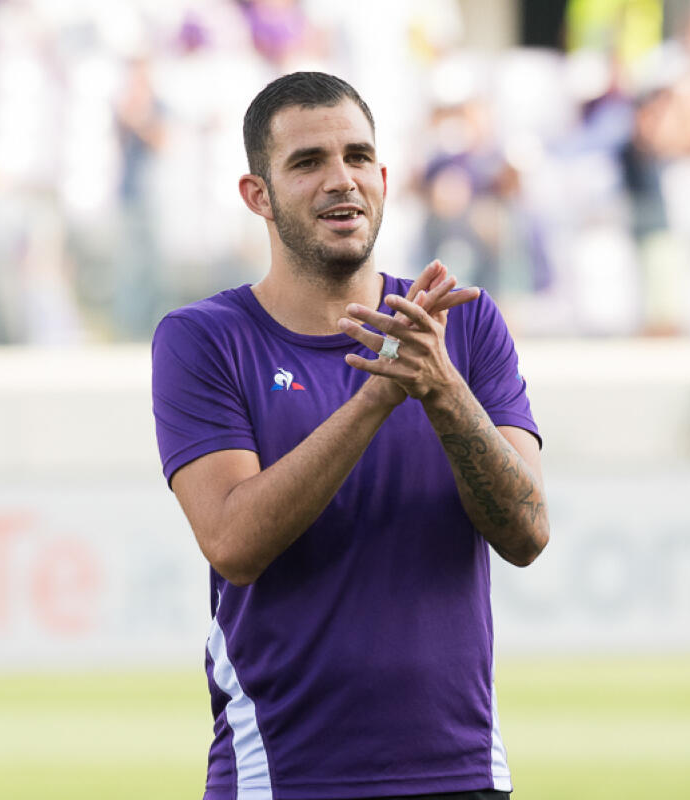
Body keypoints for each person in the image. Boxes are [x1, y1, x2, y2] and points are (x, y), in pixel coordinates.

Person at [151, 71, 548, 800]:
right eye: (308, 163)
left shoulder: (463, 324)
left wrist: (443, 388)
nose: (342, 180)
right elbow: (234, 543)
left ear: (385, 177)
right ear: (257, 196)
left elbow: (527, 533)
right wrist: (377, 397)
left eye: (359, 157)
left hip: (461, 775)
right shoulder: (203, 340)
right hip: (284, 778)